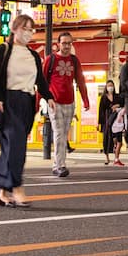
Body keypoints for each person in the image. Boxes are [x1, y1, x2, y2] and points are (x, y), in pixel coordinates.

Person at [0, 11, 51, 207]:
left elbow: (41, 81)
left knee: (11, 146)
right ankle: (17, 187)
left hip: (27, 102)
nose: (28, 33)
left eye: (31, 29)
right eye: (24, 29)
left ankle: (3, 191)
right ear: (14, 30)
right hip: (6, 101)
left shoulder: (33, 55)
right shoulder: (3, 49)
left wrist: (49, 97)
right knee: (16, 144)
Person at [44, 30, 89, 179]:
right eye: (64, 43)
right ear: (58, 44)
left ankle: (58, 164)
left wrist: (85, 99)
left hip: (70, 102)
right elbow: (42, 82)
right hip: (54, 102)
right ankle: (59, 166)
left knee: (64, 134)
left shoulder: (74, 60)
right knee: (59, 134)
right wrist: (39, 101)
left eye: (69, 43)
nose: (67, 46)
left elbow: (80, 81)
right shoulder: (50, 59)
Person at [98, 86, 121, 166]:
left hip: (115, 119)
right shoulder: (103, 97)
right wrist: (99, 123)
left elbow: (122, 104)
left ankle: (116, 157)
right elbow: (100, 110)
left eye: (111, 85)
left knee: (116, 138)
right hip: (106, 120)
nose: (110, 87)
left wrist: (117, 106)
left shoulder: (117, 96)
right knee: (106, 138)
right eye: (108, 86)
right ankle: (106, 157)